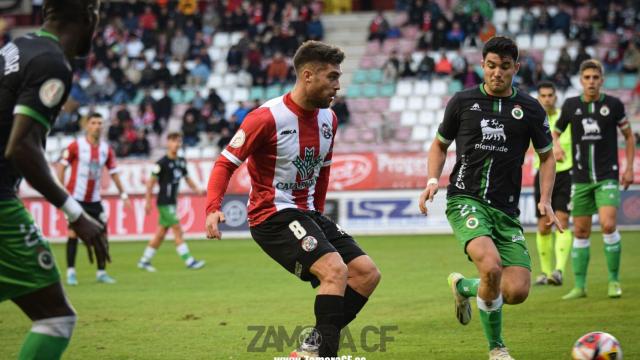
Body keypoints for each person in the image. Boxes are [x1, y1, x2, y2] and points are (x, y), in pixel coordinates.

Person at [205, 41, 381, 358]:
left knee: (367, 274)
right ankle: (324, 355)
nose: (338, 86)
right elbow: (225, 164)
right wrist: (212, 208)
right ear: (308, 76)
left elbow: (323, 171)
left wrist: (319, 215)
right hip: (271, 216)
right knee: (334, 271)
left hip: (307, 214)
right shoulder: (265, 118)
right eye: (332, 77)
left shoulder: (330, 119)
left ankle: (310, 349)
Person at [418, 36, 561, 360]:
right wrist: (431, 180)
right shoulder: (462, 102)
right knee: (491, 267)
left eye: (505, 67)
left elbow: (547, 156)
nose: (497, 73)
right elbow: (439, 145)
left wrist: (546, 199)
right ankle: (497, 349)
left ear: (516, 68)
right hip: (465, 199)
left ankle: (464, 287)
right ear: (483, 65)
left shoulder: (530, 108)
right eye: (491, 66)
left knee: (516, 290)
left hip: (506, 210)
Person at [0, 0, 107, 358]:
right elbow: (21, 147)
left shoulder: (17, 47)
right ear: (88, 16)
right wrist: (75, 213)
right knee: (55, 318)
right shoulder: (51, 62)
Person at [554, 59, 636, 300]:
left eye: (595, 78)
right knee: (580, 231)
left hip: (607, 176)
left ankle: (614, 281)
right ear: (581, 80)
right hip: (579, 178)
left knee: (608, 224)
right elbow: (554, 132)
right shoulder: (570, 106)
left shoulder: (613, 105)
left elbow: (629, 137)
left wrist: (629, 168)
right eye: (587, 78)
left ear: (602, 80)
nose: (591, 82)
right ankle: (580, 286)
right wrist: (556, 146)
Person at [57, 113, 130, 285]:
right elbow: (61, 167)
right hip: (75, 199)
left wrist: (124, 195)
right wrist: (60, 192)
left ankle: (101, 272)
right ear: (87, 126)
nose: (97, 126)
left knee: (101, 234)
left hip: (94, 200)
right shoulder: (76, 146)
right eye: (94, 122)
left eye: (100, 123)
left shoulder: (106, 149)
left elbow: (114, 173)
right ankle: (71, 273)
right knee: (73, 233)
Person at [138, 132, 206, 271]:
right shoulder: (161, 163)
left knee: (161, 234)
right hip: (164, 202)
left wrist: (197, 190)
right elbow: (150, 183)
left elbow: (187, 178)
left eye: (178, 141)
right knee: (177, 229)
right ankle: (189, 261)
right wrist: (147, 202)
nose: (176, 144)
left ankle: (144, 261)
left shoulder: (181, 161)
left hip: (172, 202)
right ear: (168, 143)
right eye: (173, 141)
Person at [532, 81, 573, 286]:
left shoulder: (565, 119)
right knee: (543, 226)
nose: (547, 99)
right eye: (543, 95)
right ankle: (546, 273)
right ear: (538, 97)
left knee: (562, 221)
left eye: (550, 95)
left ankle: (559, 271)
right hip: (540, 176)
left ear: (555, 97)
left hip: (565, 174)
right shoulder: (533, 118)